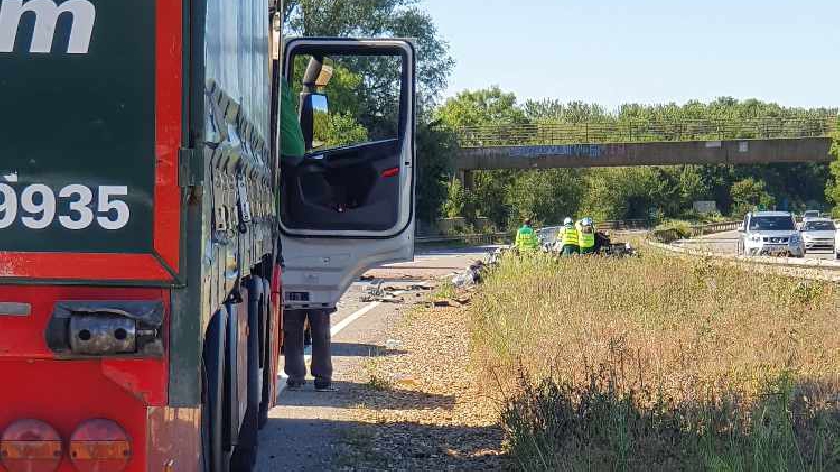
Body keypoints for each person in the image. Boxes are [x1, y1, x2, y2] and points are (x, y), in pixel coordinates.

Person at [280, 77, 335, 392]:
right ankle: (323, 376)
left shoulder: (286, 181)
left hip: (291, 249)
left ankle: (297, 376)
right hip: (318, 254)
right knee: (319, 317)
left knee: (293, 317)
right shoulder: (313, 177)